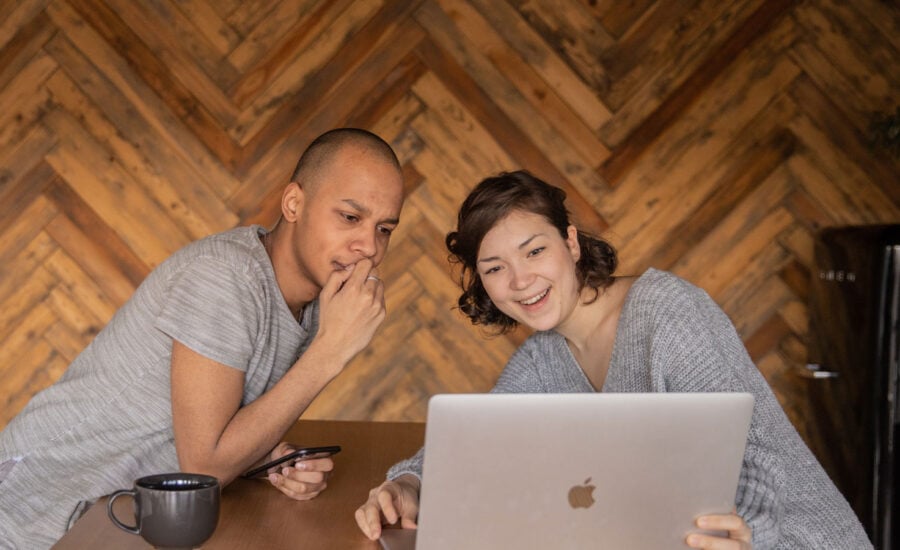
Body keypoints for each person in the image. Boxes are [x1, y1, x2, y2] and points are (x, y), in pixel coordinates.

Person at [355, 171, 872, 549]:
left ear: (571, 244)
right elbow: (476, 447)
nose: (520, 281)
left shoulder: (668, 312)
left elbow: (758, 454)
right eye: (495, 268)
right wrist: (410, 483)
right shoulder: (542, 359)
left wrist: (746, 534)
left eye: (535, 252)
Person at [0, 128, 405, 548]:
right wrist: (328, 355)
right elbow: (205, 467)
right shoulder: (223, 277)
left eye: (385, 229)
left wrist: (265, 460)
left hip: (117, 519)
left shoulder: (320, 301)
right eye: (351, 217)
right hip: (31, 517)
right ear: (294, 204)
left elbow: (207, 428)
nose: (369, 247)